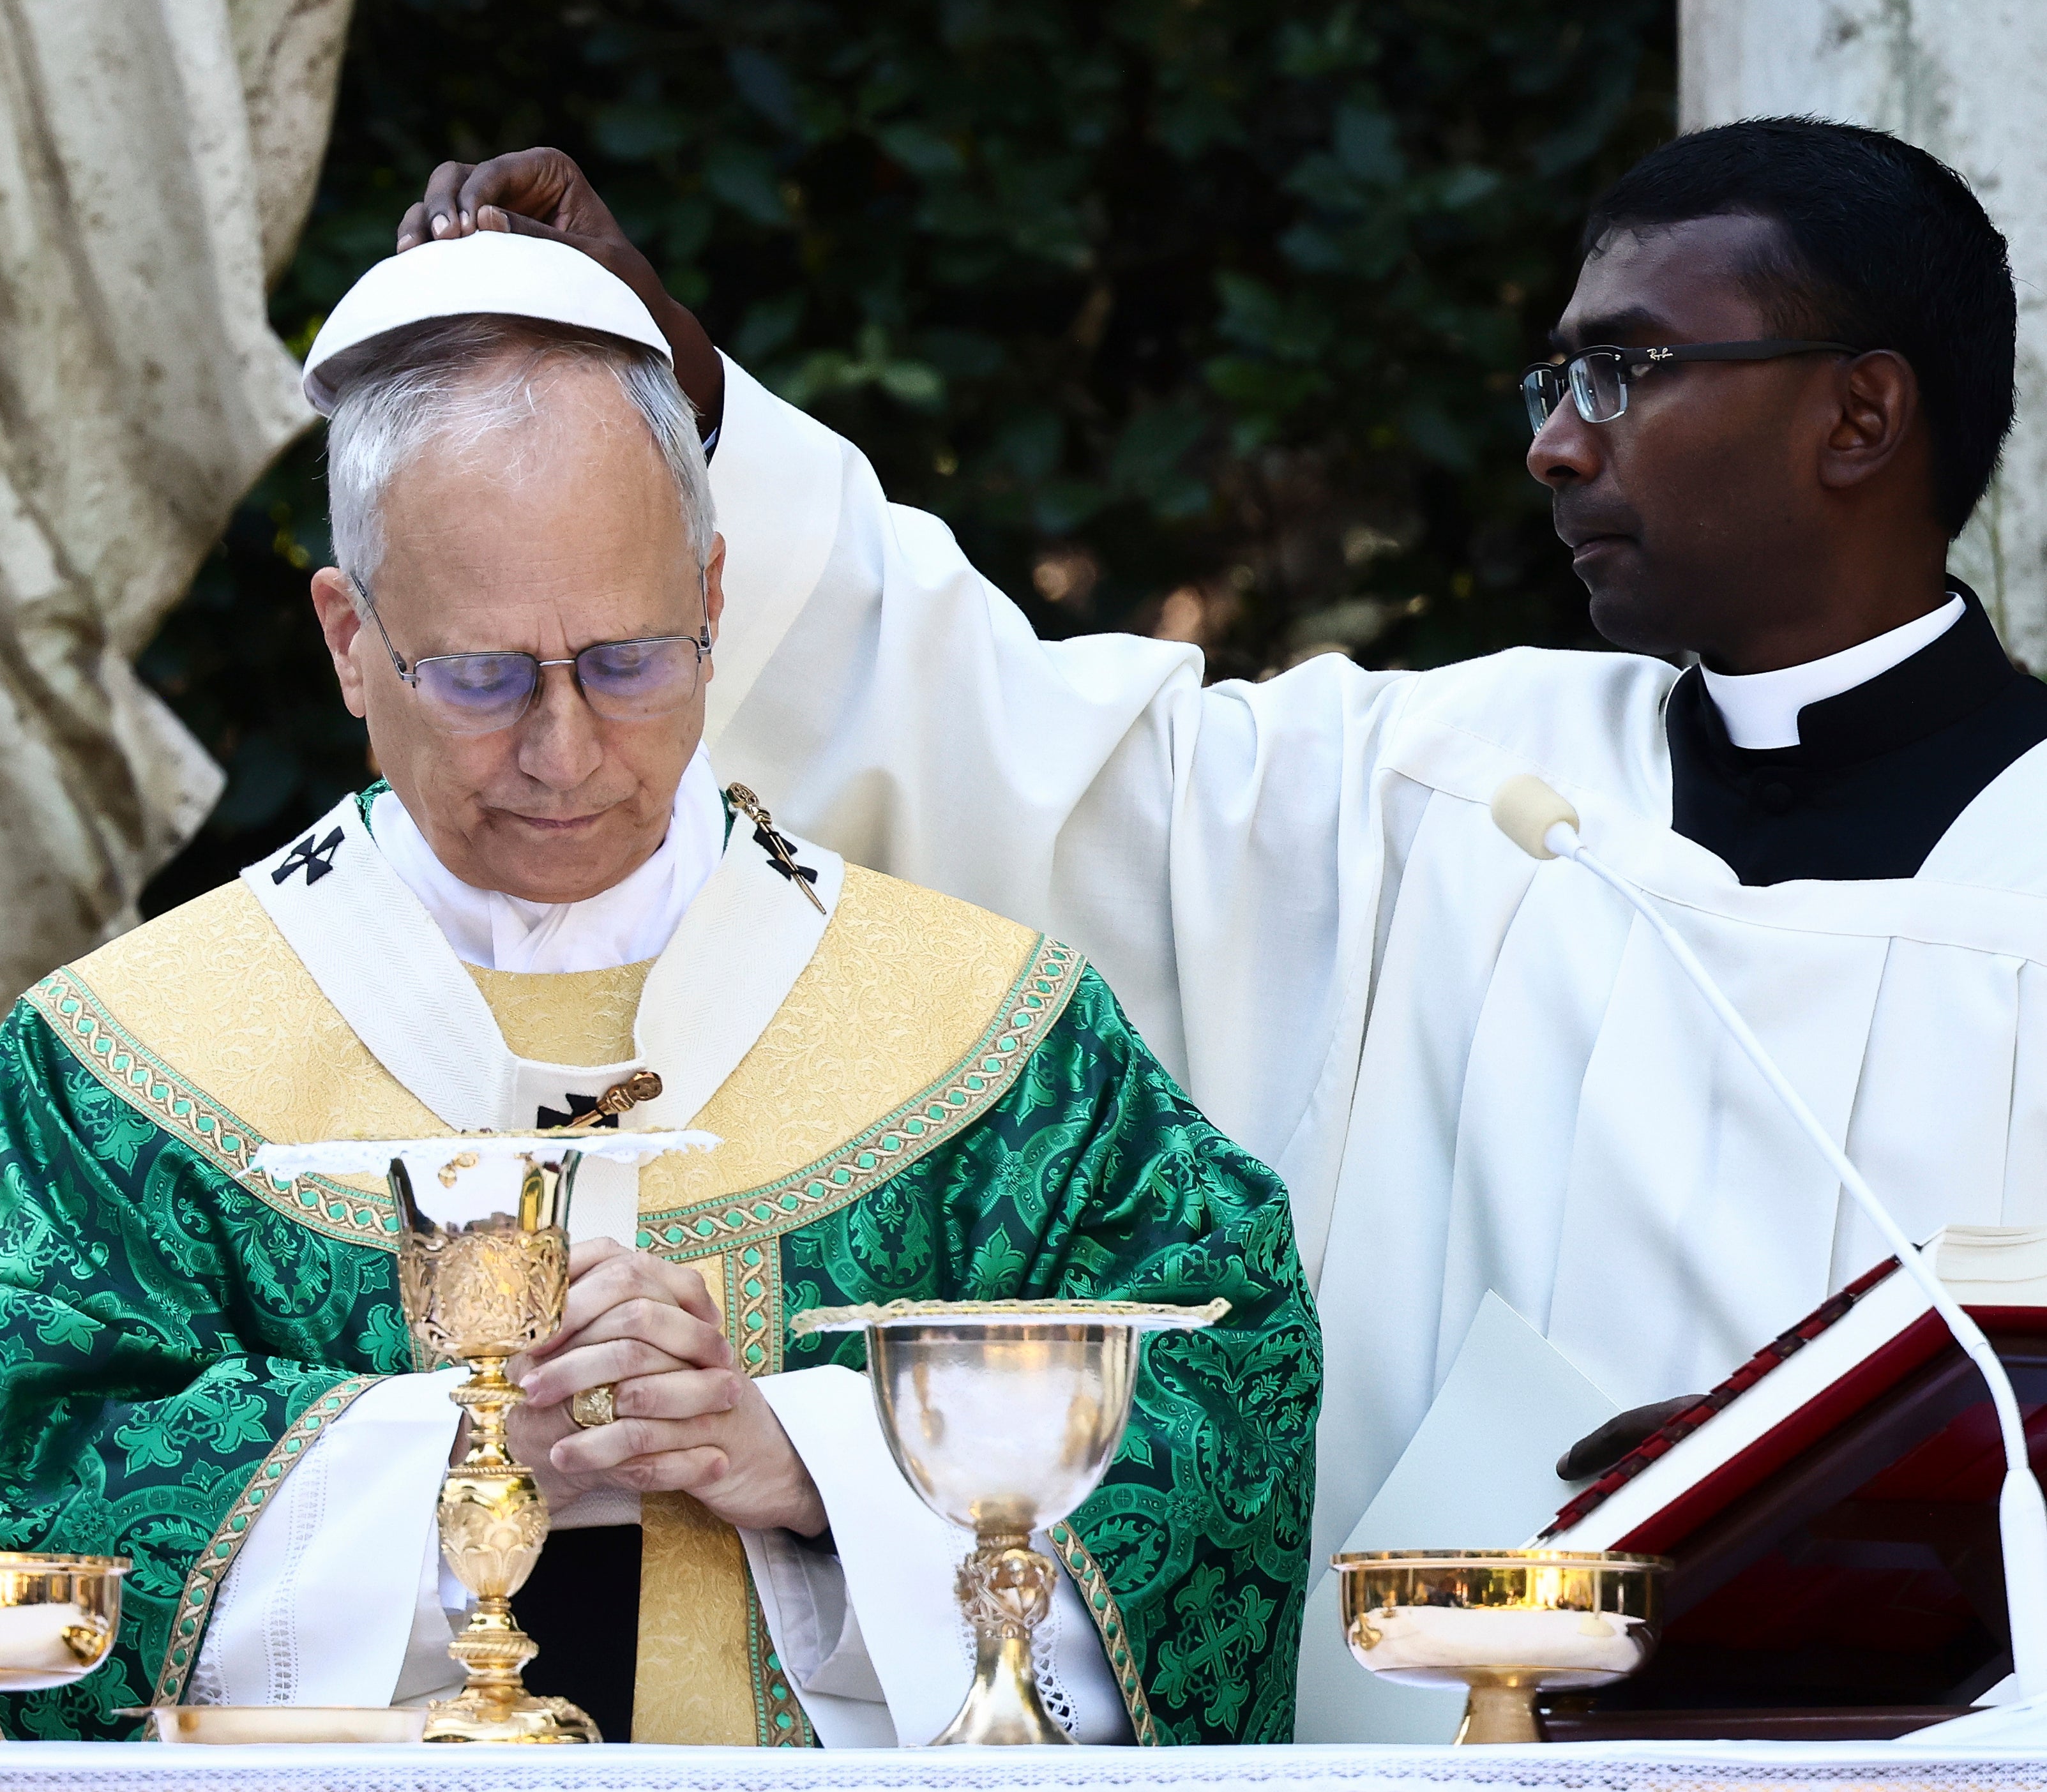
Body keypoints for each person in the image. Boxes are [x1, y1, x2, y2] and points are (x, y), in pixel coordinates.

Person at [412, 117, 2047, 1732]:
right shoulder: (1448, 789)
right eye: (1553, 384)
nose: (1557, 445)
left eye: (1623, 373)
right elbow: (1011, 759)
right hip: (1445, 1746)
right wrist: (683, 400)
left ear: (1858, 414)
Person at [0, 234, 1320, 1746]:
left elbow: (1222, 1421)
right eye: (483, 677)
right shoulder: (109, 1079)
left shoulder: (1006, 1053)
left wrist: (812, 1465)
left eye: (627, 662)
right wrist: (464, 1462)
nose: (562, 753)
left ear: (712, 595)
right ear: (351, 642)